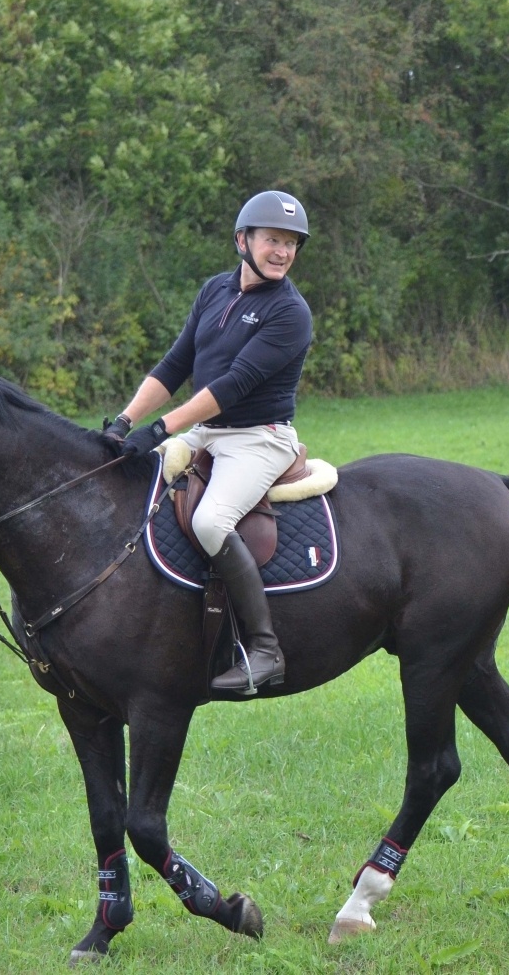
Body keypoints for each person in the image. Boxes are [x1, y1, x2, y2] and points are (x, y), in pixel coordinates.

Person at [104, 191, 314, 692]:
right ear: (242, 240)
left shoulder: (291, 313)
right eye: (273, 240)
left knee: (210, 520)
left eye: (291, 243)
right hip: (208, 432)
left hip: (258, 439)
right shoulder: (215, 290)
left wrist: (162, 428)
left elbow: (233, 385)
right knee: (130, 484)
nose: (282, 252)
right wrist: (124, 422)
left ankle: (265, 649)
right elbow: (176, 364)